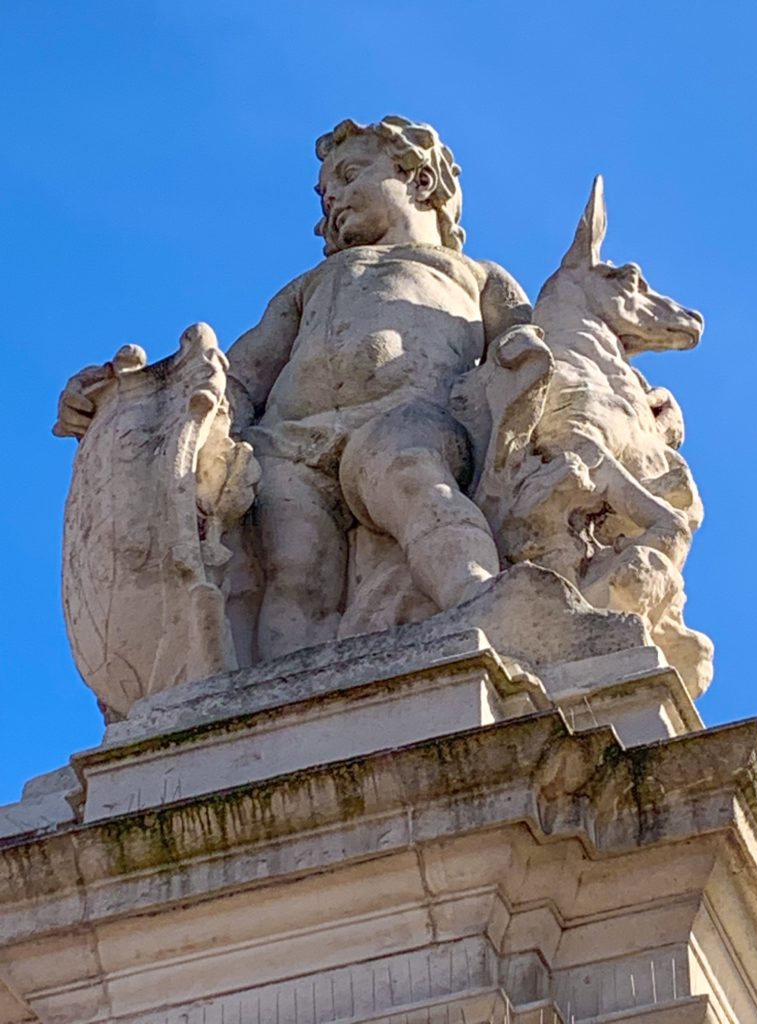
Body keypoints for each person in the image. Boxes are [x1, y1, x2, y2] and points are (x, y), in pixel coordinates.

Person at [57, 116, 535, 660]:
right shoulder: (310, 285)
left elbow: (527, 344)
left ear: (421, 180)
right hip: (289, 441)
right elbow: (242, 372)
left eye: (350, 176)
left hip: (403, 417)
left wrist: (524, 353)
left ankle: (479, 600)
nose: (334, 201)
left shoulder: (476, 276)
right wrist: (133, 404)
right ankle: (285, 683)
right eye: (325, 196)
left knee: (412, 479)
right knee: (292, 564)